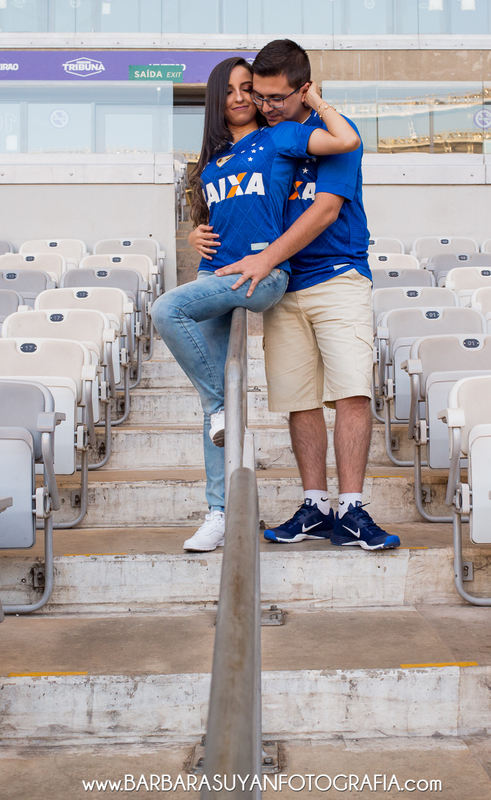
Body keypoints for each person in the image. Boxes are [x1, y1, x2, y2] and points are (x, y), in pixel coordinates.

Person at [191, 39, 400, 551]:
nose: (264, 105)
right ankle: (315, 505)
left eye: (275, 97)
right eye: (258, 97)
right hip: (284, 287)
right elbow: (234, 202)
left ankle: (351, 510)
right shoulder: (268, 141)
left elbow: (324, 210)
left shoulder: (330, 134)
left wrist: (265, 259)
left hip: (336, 276)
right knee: (300, 401)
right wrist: (200, 230)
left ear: (303, 89)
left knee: (351, 391)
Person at [152, 56, 360, 552]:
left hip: (263, 273)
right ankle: (219, 511)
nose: (244, 98)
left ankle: (221, 406)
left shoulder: (281, 135)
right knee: (216, 416)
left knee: (166, 311)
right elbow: (214, 216)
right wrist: (196, 233)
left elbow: (346, 141)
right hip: (215, 274)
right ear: (215, 100)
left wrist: (311, 98)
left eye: (251, 90)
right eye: (231, 91)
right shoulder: (208, 163)